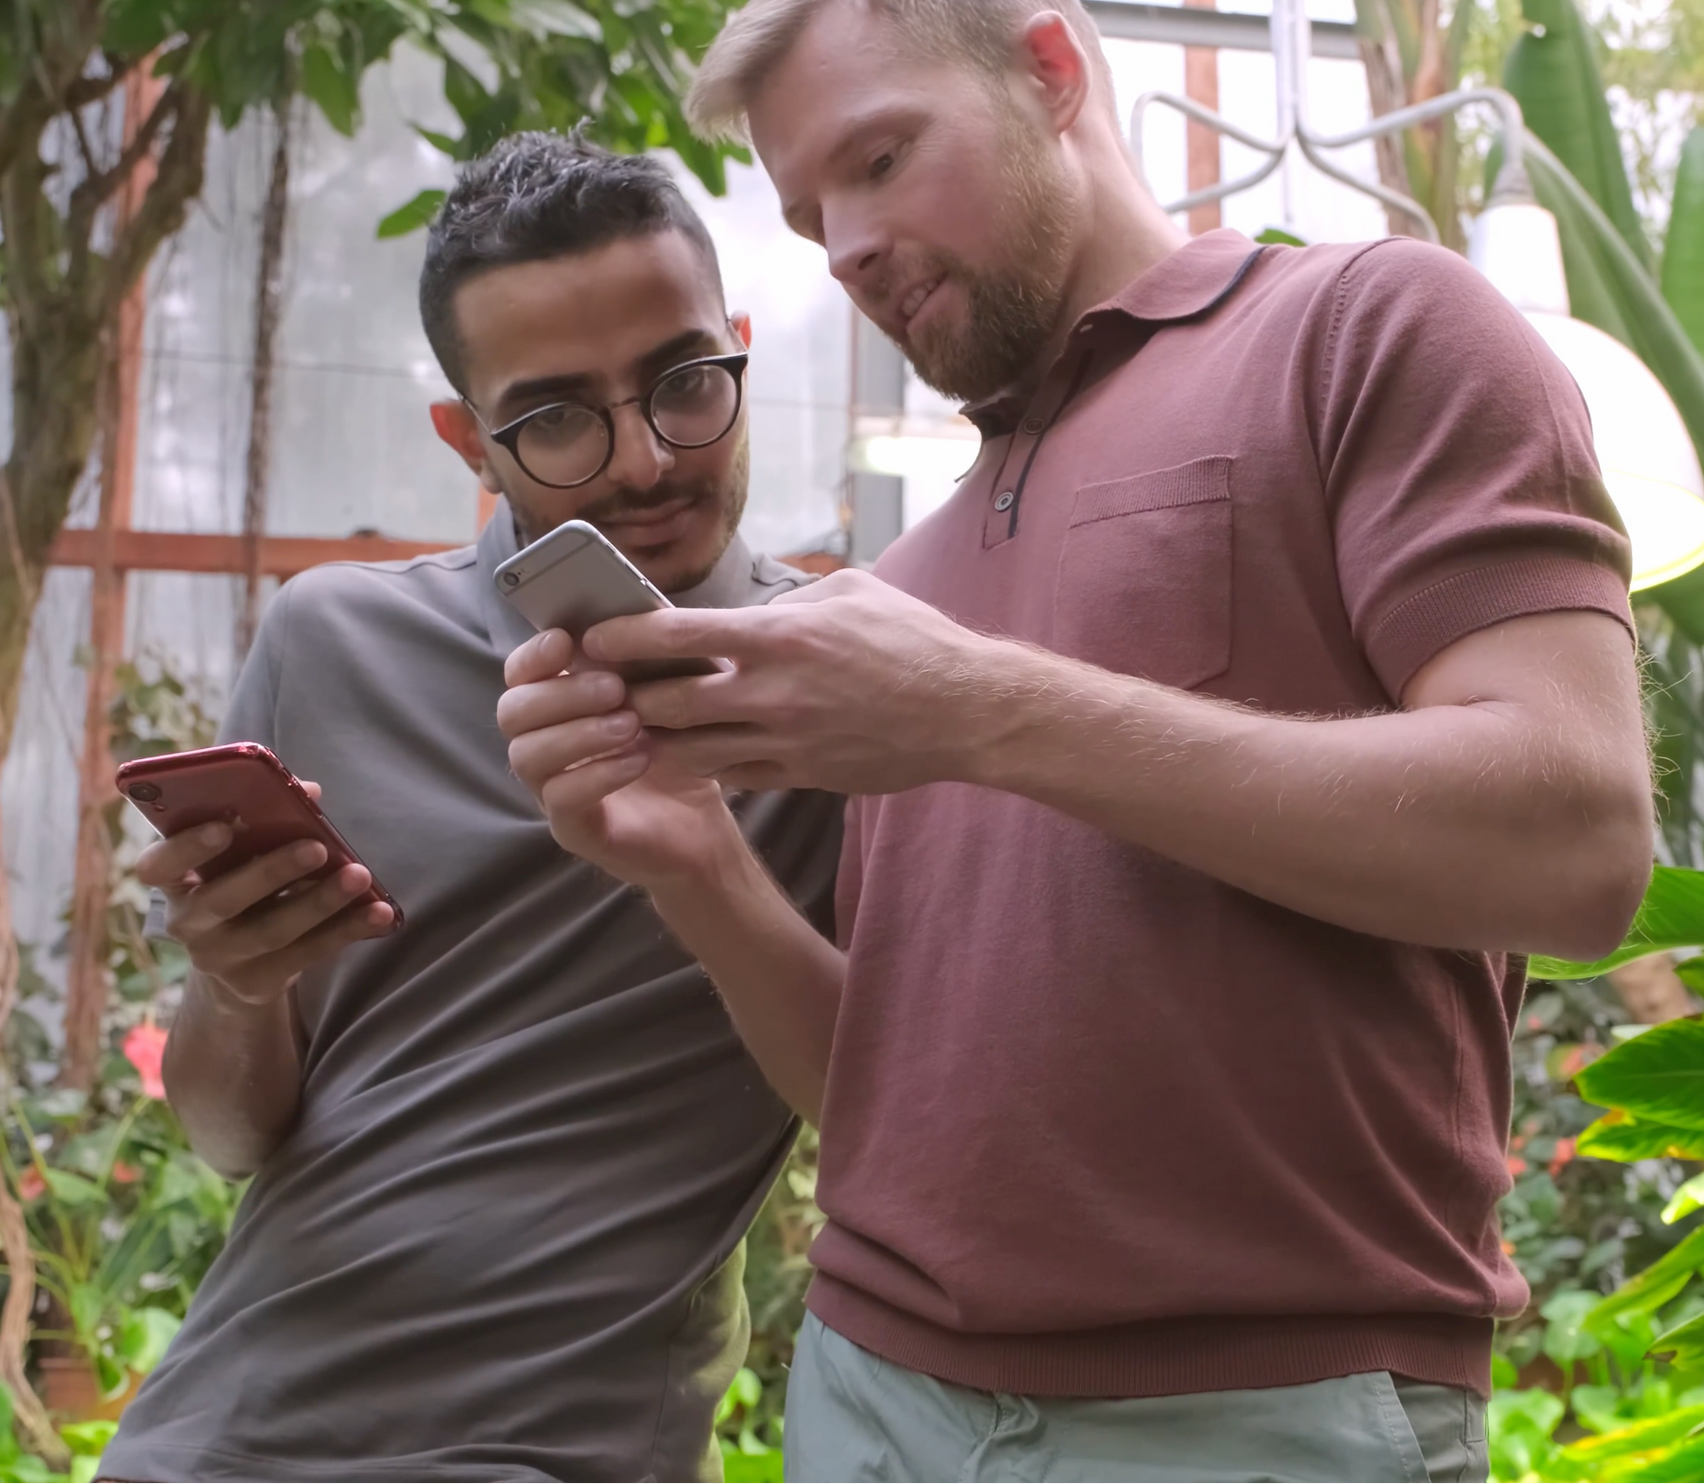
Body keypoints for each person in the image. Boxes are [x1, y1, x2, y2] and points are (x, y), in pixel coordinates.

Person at [495, 2, 1656, 1480]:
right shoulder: (905, 585)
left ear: (1052, 72)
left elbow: (1580, 848)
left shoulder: (1372, 327)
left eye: (882, 154)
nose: (844, 245)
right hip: (867, 1396)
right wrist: (695, 864)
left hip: (1255, 1414)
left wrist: (980, 709)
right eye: (808, 213)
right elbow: (881, 1119)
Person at [95, 132, 841, 1484]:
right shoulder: (333, 644)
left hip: (551, 1453)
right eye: (556, 418)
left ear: (737, 349)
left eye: (683, 384)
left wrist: (702, 859)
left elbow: (889, 1112)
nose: (640, 464)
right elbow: (226, 1134)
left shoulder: (846, 689)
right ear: (467, 438)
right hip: (217, 1440)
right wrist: (238, 989)